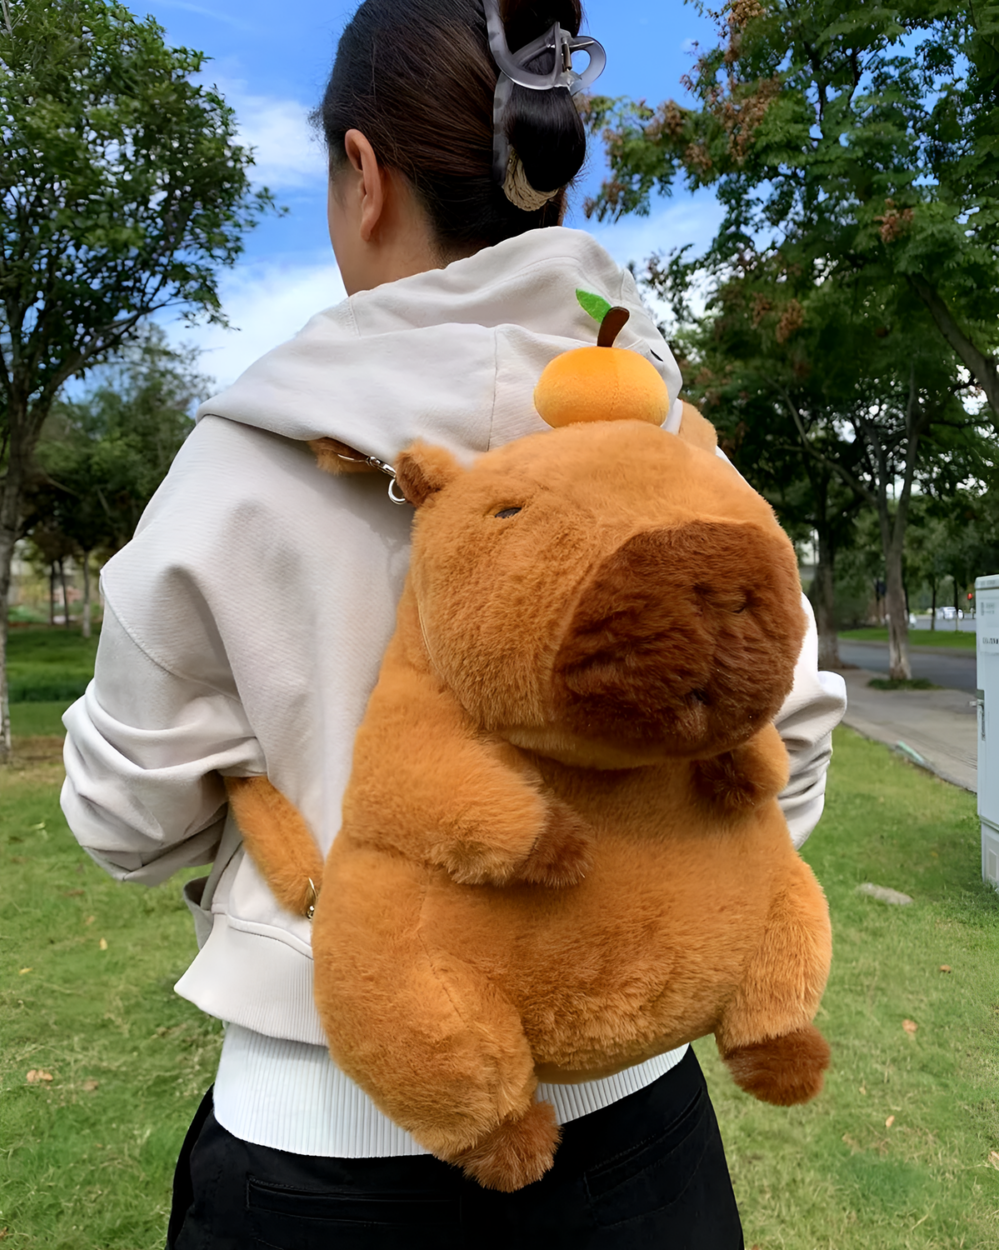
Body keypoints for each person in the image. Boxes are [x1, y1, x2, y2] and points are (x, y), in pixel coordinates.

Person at [60, 1, 847, 1246]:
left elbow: (124, 820)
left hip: (326, 1136)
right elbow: (784, 740)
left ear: (361, 176)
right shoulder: (677, 451)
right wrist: (645, 874)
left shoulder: (234, 473)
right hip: (641, 1132)